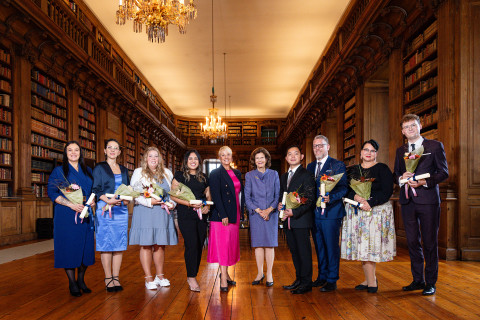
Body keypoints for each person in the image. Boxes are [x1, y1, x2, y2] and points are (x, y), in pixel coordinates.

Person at [394, 114, 448, 296]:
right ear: (402, 131)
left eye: (413, 125)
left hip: (428, 201)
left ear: (420, 126)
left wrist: (424, 182)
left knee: (430, 242)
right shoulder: (400, 150)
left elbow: (443, 173)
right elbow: (396, 174)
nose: (410, 129)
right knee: (412, 242)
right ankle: (418, 280)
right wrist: (402, 179)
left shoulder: (434, 146)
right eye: (406, 127)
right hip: (407, 202)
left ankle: (430, 282)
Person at [340, 139, 396, 293]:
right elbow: (346, 189)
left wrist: (370, 202)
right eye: (366, 150)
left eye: (372, 151)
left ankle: (372, 282)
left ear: (376, 153)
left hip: (375, 213)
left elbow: (387, 191)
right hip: (357, 213)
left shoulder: (382, 169)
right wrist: (355, 197)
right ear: (361, 153)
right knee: (362, 248)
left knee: (370, 247)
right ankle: (368, 279)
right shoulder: (353, 170)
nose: (369, 153)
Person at [47, 141, 95, 297]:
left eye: (76, 150)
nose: (73, 152)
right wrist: (70, 204)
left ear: (80, 153)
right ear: (65, 153)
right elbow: (53, 193)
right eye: (70, 150)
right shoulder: (59, 171)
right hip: (67, 215)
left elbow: (93, 191)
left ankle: (81, 279)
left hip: (85, 213)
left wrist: (92, 201)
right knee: (69, 248)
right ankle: (72, 283)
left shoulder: (88, 171)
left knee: (85, 248)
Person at [129, 146, 178, 290]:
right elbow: (134, 194)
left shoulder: (167, 173)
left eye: (156, 156)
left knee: (160, 245)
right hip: (145, 211)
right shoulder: (138, 172)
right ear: (146, 158)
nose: (153, 159)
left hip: (162, 213)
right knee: (146, 244)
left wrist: (172, 204)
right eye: (150, 156)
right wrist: (149, 201)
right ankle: (148, 277)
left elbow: (174, 193)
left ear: (160, 159)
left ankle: (160, 275)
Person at [306, 135, 347, 292]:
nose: (317, 148)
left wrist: (331, 198)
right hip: (315, 214)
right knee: (319, 247)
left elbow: (343, 187)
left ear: (328, 147)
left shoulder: (337, 165)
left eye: (320, 145)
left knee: (331, 247)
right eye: (315, 146)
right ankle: (322, 276)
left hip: (331, 213)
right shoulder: (310, 167)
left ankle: (332, 279)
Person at [170, 149, 211, 292]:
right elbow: (173, 196)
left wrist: (207, 207)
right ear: (186, 161)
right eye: (190, 158)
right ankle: (191, 277)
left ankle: (194, 273)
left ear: (199, 161)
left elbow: (207, 194)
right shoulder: (180, 176)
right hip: (186, 214)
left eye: (196, 158)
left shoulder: (204, 177)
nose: (193, 161)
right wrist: (189, 204)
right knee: (191, 244)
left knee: (199, 244)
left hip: (201, 215)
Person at [92, 139, 130, 292]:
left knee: (119, 245)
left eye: (116, 148)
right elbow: (96, 189)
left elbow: (127, 189)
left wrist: (126, 200)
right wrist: (109, 200)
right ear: (104, 150)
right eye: (110, 147)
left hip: (121, 210)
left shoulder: (124, 169)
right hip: (105, 208)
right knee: (106, 244)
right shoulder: (99, 167)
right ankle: (108, 277)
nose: (113, 150)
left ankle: (116, 277)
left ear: (120, 152)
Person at [278, 145, 315, 294]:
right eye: (289, 154)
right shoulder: (284, 176)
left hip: (301, 219)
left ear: (301, 157)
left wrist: (295, 211)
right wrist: (280, 204)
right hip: (287, 220)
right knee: (294, 251)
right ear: (286, 158)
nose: (292, 156)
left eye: (296, 154)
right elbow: (283, 194)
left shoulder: (307, 175)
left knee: (304, 252)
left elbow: (309, 199)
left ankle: (306, 283)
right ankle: (298, 279)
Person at [207, 146, 245, 292]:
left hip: (234, 214)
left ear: (231, 156)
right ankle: (223, 278)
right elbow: (215, 194)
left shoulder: (236, 172)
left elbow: (239, 194)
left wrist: (241, 213)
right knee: (223, 247)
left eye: (228, 154)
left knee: (229, 246)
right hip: (221, 216)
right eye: (223, 155)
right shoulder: (215, 173)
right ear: (219, 157)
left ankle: (226, 274)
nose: (226, 157)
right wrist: (223, 214)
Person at [245, 147, 280, 287]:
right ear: (254, 161)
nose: (259, 160)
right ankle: (260, 273)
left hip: (271, 214)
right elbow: (247, 197)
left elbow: (277, 195)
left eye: (262, 157)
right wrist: (259, 211)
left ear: (266, 159)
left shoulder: (274, 174)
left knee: (270, 245)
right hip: (256, 214)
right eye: (257, 158)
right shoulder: (249, 175)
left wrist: (269, 210)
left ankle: (269, 274)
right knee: (258, 245)